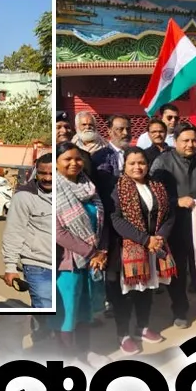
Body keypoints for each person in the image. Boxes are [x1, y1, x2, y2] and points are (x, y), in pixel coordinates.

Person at [151, 124, 196, 327]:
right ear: (175, 141)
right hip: (174, 227)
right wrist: (176, 200)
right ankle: (180, 310)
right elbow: (154, 194)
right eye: (185, 140)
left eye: (193, 140)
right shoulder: (162, 162)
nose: (190, 144)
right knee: (179, 271)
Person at [109, 147, 176, 355]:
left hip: (154, 246)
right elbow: (115, 219)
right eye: (132, 163)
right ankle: (123, 334)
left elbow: (169, 215)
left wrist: (160, 238)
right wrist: (145, 239)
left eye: (141, 163)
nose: (137, 167)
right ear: (124, 166)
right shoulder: (117, 189)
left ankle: (142, 327)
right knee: (127, 295)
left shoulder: (156, 186)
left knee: (146, 290)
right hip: (129, 249)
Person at [54, 143, 109, 360]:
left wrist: (102, 251)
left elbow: (102, 221)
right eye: (67, 159)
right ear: (57, 162)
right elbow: (57, 232)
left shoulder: (88, 185)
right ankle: (67, 359)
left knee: (85, 310)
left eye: (78, 159)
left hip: (92, 260)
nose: (74, 163)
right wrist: (91, 252)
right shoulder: (53, 189)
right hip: (69, 263)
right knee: (67, 314)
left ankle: (85, 352)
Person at [2, 153, 55, 312]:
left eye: (52, 173)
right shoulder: (24, 196)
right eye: (42, 173)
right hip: (38, 266)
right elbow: (14, 232)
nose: (47, 178)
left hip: (67, 267)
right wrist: (10, 267)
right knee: (47, 314)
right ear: (35, 172)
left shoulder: (69, 194)